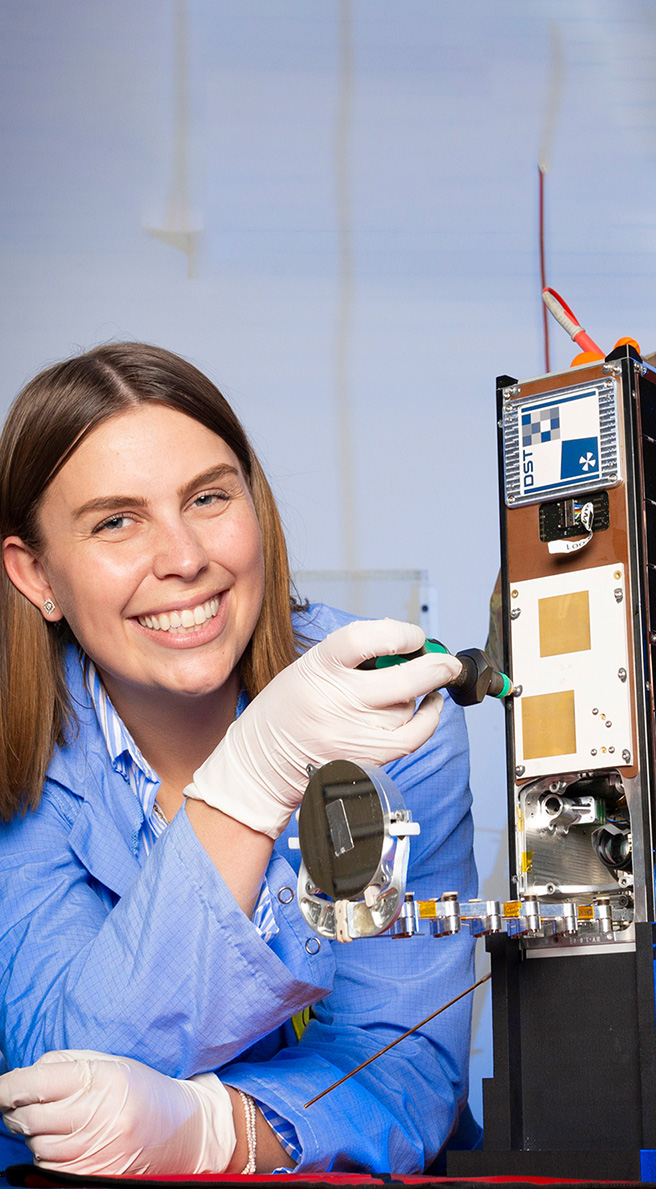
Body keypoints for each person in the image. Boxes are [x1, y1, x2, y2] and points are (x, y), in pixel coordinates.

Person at [0, 343, 477, 1176]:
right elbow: (60, 1070)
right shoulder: (18, 757)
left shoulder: (394, 716)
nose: (184, 558)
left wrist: (217, 1129)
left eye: (209, 498)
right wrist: (251, 781)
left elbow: (403, 1060)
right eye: (117, 520)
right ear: (35, 573)